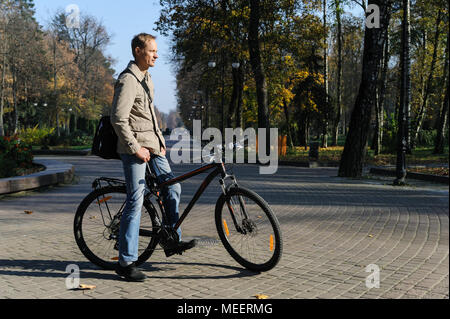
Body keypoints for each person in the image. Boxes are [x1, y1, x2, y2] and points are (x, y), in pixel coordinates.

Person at [111, 33, 196, 282]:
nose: (156, 55)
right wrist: (136, 148)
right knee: (136, 201)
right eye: (152, 51)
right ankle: (126, 262)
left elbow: (149, 116)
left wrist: (160, 141)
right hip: (134, 150)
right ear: (138, 51)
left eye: (156, 51)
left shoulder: (147, 78)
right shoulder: (128, 80)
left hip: (155, 148)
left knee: (173, 188)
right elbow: (119, 119)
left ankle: (172, 241)